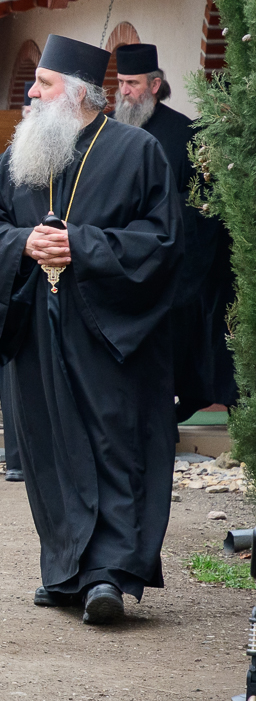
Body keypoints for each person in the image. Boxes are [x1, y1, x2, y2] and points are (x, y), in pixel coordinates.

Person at [0, 34, 182, 625]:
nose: (32, 94)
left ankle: (108, 574)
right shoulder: (20, 155)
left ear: (79, 93)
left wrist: (79, 245)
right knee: (48, 448)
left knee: (112, 446)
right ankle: (64, 570)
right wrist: (22, 243)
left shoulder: (137, 152)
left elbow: (162, 242)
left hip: (109, 332)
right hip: (36, 326)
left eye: (44, 83)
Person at [113, 43, 237, 422]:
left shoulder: (184, 133)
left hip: (168, 266)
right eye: (120, 82)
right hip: (118, 260)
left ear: (154, 85)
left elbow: (203, 207)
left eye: (133, 83)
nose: (124, 91)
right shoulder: (109, 132)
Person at [0, 83, 34, 484]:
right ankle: (19, 457)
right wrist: (22, 242)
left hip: (73, 284)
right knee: (17, 374)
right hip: (19, 284)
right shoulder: (9, 162)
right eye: (26, 110)